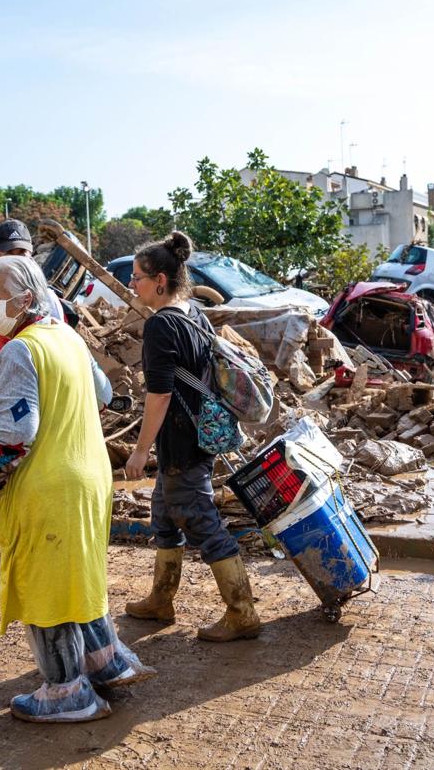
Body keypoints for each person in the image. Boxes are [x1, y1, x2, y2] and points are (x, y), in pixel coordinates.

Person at [0, 256, 154, 723]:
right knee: (78, 575)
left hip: (49, 488)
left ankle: (67, 692)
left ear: (24, 299)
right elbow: (105, 393)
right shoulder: (67, 337)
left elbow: (11, 438)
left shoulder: (20, 351)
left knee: (45, 588)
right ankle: (108, 660)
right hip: (89, 479)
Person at [123, 231, 262, 642]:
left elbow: (160, 394)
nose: (134, 285)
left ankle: (242, 611)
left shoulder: (162, 326)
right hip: (198, 435)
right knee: (165, 514)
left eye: (138, 278)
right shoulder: (193, 313)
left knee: (199, 520)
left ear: (161, 280)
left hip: (182, 440)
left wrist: (139, 451)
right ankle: (161, 599)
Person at [0, 220, 66, 365]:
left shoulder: (48, 297)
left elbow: (60, 345)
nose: (16, 259)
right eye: (9, 253)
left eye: (22, 253)